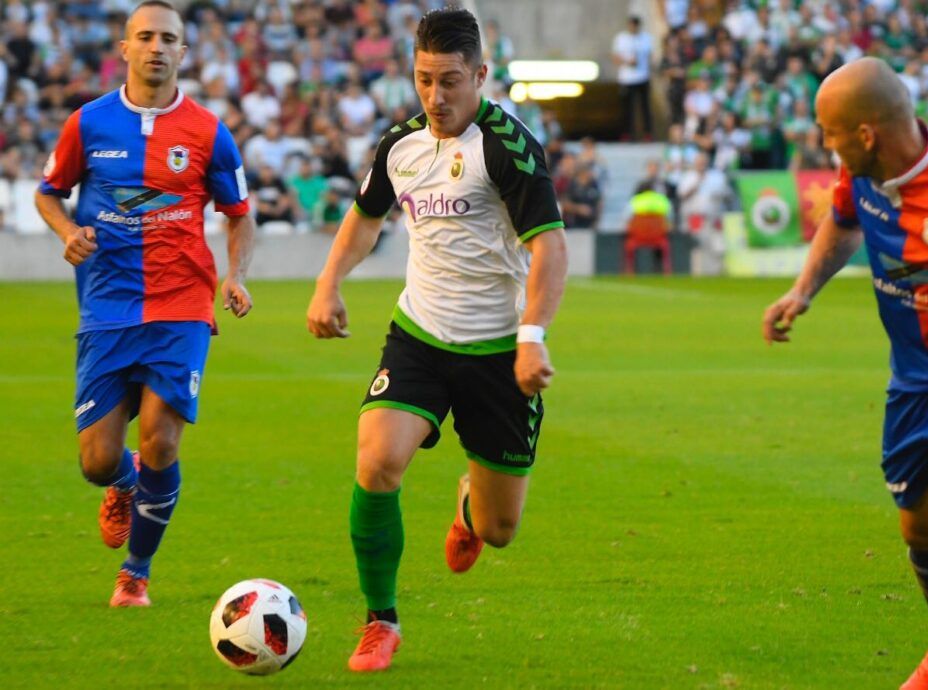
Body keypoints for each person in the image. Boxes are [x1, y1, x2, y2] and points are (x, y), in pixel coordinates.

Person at [306, 6, 567, 673]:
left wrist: (533, 336)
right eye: (424, 80)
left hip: (499, 355)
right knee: (376, 462)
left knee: (498, 530)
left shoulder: (509, 147)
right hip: (419, 337)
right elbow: (366, 219)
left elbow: (550, 249)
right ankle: (380, 619)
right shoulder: (401, 144)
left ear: (480, 74)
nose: (436, 96)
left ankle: (467, 506)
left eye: (450, 81)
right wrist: (327, 284)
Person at [762, 58, 928, 690]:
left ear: (866, 133)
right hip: (915, 385)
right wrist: (804, 291)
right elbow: (844, 222)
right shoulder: (864, 178)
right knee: (925, 527)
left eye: (829, 132)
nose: (825, 145)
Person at [34, 0, 254, 608]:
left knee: (162, 439)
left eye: (169, 39)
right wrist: (67, 232)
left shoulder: (209, 131)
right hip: (106, 308)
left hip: (181, 306)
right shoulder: (89, 123)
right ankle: (123, 484)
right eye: (146, 37)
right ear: (125, 48)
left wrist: (235, 275)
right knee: (98, 461)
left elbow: (238, 214)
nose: (157, 47)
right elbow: (49, 193)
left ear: (184, 52)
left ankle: (136, 572)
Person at [612, 15, 653, 141]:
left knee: (644, 107)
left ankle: (647, 133)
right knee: (626, 109)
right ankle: (627, 134)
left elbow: (651, 56)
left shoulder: (646, 38)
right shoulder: (621, 38)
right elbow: (615, 58)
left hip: (642, 77)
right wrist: (627, 62)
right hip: (627, 78)